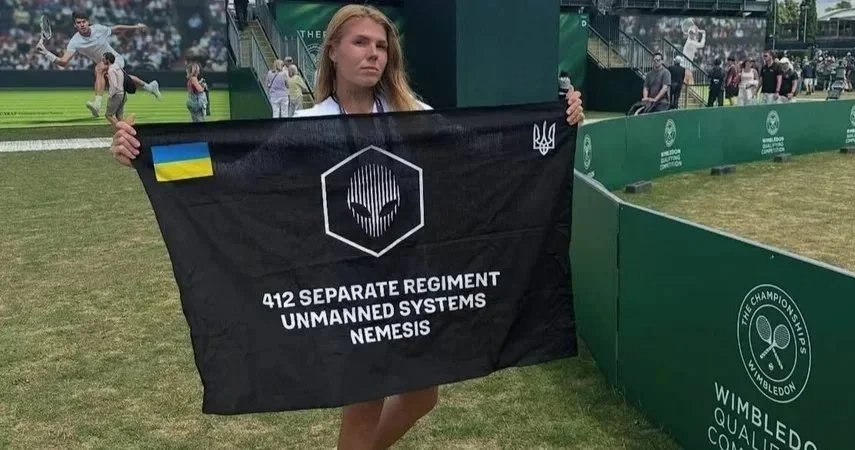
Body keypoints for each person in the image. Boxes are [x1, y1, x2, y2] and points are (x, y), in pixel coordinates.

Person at [109, 5, 585, 449]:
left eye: (380, 46)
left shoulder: (411, 116)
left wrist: (555, 125)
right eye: (360, 43)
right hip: (352, 288)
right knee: (367, 398)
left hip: (412, 282)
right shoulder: (309, 125)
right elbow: (237, 173)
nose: (373, 54)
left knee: (423, 395)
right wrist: (149, 156)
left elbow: (483, 151)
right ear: (333, 51)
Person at [35, 11, 161, 118]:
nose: (82, 24)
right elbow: (63, 62)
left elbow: (117, 29)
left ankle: (97, 104)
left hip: (115, 59)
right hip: (105, 65)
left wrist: (136, 27)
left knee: (99, 68)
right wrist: (46, 52)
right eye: (78, 23)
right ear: (75, 25)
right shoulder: (74, 42)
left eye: (84, 21)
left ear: (88, 22)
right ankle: (150, 87)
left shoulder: (99, 29)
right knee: (126, 80)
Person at [101, 52, 126, 126]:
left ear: (108, 60)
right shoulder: (118, 68)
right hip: (122, 93)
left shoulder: (111, 70)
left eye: (103, 58)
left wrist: (111, 95)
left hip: (116, 94)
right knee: (119, 116)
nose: (102, 60)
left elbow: (114, 85)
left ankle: (123, 129)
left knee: (108, 115)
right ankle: (128, 130)